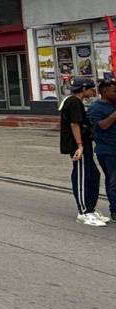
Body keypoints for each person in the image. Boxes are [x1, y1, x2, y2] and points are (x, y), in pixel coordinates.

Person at [60, 77, 101, 225]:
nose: (93, 91)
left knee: (93, 175)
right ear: (83, 89)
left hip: (85, 144)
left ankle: (91, 208)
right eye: (91, 89)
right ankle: (84, 211)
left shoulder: (76, 102)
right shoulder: (73, 102)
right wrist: (79, 145)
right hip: (78, 146)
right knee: (82, 176)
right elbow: (74, 124)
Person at [86, 78, 116, 224]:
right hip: (108, 150)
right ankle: (115, 210)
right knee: (113, 181)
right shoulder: (96, 107)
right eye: (114, 91)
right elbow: (101, 127)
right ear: (105, 91)